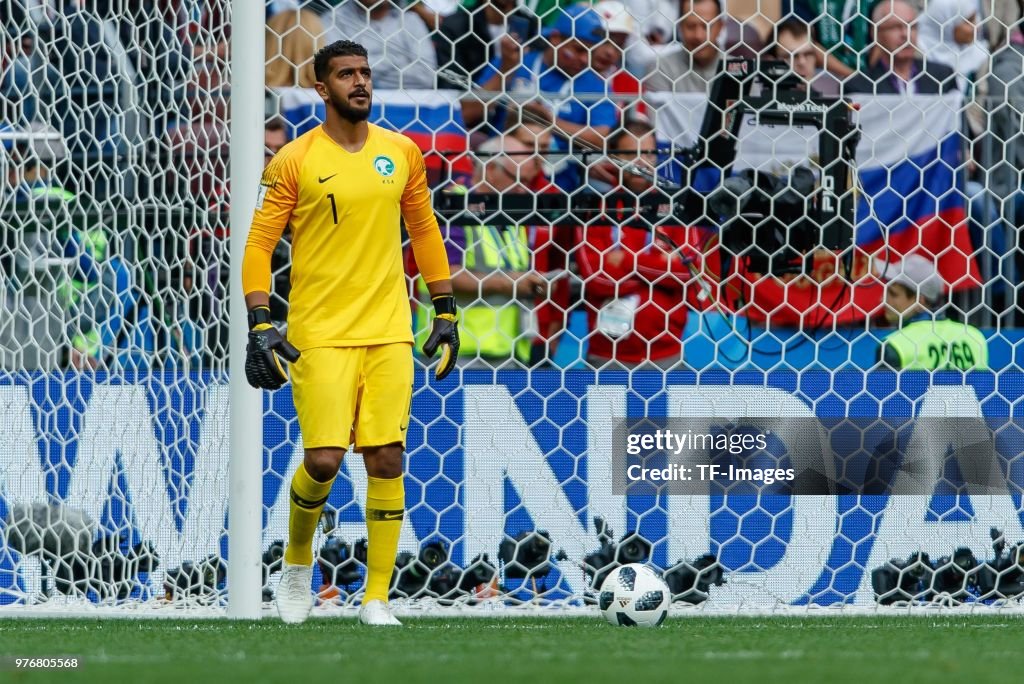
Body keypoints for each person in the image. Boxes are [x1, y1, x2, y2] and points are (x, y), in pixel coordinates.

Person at [242, 40, 459, 626]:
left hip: (389, 327)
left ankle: (377, 599)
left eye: (365, 73)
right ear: (321, 88)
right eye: (346, 74)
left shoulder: (402, 152)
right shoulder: (292, 160)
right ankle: (294, 564)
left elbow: (425, 230)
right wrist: (260, 320)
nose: (360, 83)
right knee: (324, 459)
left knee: (387, 456)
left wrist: (444, 309)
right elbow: (260, 245)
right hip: (321, 330)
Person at [575, 121, 709, 369]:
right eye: (631, 154)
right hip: (607, 357)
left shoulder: (675, 207)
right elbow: (596, 279)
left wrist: (627, 261)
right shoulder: (596, 209)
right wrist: (658, 268)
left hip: (667, 355)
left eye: (647, 153)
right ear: (613, 158)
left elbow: (688, 271)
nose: (641, 162)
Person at [415, 134, 547, 368]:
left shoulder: (513, 210)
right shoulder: (451, 205)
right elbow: (444, 275)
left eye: (528, 181)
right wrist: (511, 283)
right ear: (490, 168)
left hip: (508, 352)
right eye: (518, 179)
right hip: (455, 352)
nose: (523, 189)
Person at [875, 254, 987, 370]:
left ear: (919, 301)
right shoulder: (975, 337)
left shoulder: (894, 346)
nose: (883, 300)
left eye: (893, 294)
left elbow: (885, 388)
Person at [845, 0, 958, 95]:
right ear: (875, 33)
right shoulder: (859, 85)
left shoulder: (942, 77)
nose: (905, 34)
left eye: (912, 26)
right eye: (895, 27)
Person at [319, 0, 438, 89]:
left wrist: (368, 77)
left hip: (405, 111)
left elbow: (426, 77)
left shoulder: (411, 21)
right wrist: (396, 60)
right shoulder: (333, 19)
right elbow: (336, 71)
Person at [643, 0, 724, 93]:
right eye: (690, 26)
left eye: (707, 26)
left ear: (720, 27)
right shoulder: (661, 69)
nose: (698, 35)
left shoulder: (737, 69)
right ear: (680, 27)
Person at [772, 19, 841, 97]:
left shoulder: (830, 99)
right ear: (772, 59)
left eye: (808, 54)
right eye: (791, 55)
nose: (802, 62)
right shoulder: (759, 105)